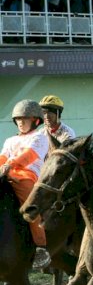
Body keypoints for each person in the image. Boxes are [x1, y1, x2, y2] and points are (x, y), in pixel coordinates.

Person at [0, 101, 51, 269]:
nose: (21, 122)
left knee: (31, 208)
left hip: (26, 178)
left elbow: (29, 155)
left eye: (25, 119)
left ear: (36, 120)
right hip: (7, 174)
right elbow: (2, 157)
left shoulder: (40, 137)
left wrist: (10, 164)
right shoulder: (10, 140)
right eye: (18, 119)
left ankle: (40, 248)